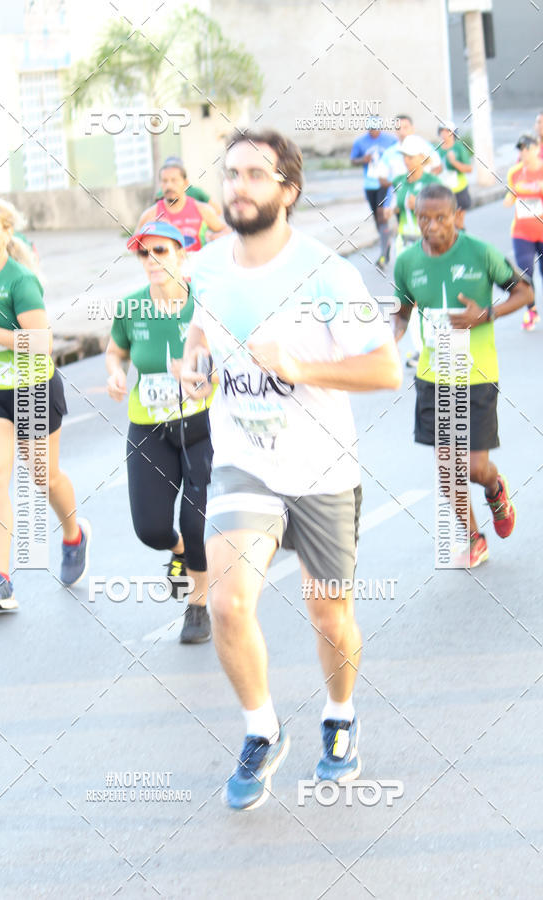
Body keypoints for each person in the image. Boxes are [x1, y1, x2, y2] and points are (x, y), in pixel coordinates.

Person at [180, 128, 402, 810]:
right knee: (225, 602)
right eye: (232, 172)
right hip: (244, 464)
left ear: (288, 190)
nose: (238, 185)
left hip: (323, 471)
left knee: (329, 616)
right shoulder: (209, 267)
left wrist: (301, 366)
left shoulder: (326, 274)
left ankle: (339, 716)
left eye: (255, 174)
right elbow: (201, 326)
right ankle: (261, 730)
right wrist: (196, 364)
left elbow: (386, 368)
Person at [0, 197, 91, 611]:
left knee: (44, 479)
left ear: (6, 233)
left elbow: (43, 343)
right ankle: (1, 580)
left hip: (32, 387)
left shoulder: (20, 281)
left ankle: (73, 534)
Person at [392, 184, 533, 567]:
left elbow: (524, 293)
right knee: (447, 467)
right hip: (433, 376)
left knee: (473, 467)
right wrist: (386, 341)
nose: (431, 226)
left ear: (457, 216)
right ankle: (474, 539)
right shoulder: (406, 262)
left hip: (477, 375)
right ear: (415, 218)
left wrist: (485, 315)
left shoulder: (480, 253)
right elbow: (403, 312)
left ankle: (495, 487)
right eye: (424, 218)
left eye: (441, 218)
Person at [105, 221, 213, 644]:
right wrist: (115, 375)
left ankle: (198, 606)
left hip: (201, 427)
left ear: (181, 255)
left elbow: (231, 358)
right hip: (149, 427)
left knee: (196, 519)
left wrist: (198, 377)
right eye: (143, 254)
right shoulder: (132, 307)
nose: (152, 261)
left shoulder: (204, 305)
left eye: (161, 251)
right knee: (150, 529)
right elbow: (116, 351)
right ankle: (179, 552)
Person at [391, 136, 441, 368]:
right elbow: (396, 209)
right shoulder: (399, 181)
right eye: (404, 157)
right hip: (405, 244)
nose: (407, 161)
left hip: (427, 244)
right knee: (409, 297)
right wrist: (394, 209)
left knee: (429, 296)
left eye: (411, 156)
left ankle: (435, 346)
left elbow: (442, 212)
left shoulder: (432, 182)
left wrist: (418, 205)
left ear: (422, 158)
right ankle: (420, 349)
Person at [135, 158, 228, 252]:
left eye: (174, 180)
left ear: (186, 183)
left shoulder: (202, 210)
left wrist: (213, 238)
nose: (169, 186)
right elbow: (135, 246)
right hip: (166, 267)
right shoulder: (150, 215)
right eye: (164, 181)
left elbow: (228, 231)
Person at [504, 133, 543, 331]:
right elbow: (509, 197)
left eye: (527, 148)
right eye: (521, 149)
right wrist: (511, 198)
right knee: (526, 272)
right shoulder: (515, 172)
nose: (524, 152)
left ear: (537, 148)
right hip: (522, 232)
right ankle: (532, 311)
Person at [350, 116, 397, 269]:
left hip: (385, 182)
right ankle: (386, 241)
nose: (374, 132)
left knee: (382, 214)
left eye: (376, 129)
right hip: (370, 184)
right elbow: (353, 160)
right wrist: (364, 159)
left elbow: (399, 156)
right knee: (377, 218)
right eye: (371, 130)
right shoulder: (360, 142)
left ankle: (383, 255)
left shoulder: (390, 140)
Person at [377, 114, 442, 189]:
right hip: (401, 198)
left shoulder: (426, 147)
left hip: (423, 195)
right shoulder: (389, 152)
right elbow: (381, 178)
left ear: (412, 128)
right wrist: (401, 185)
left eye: (405, 128)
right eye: (398, 128)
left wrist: (423, 182)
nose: (402, 132)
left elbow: (438, 167)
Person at [154, 156, 222, 214]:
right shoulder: (161, 194)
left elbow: (217, 210)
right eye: (165, 180)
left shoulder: (196, 192)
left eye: (174, 179)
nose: (169, 185)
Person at [437, 121, 473, 230]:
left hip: (459, 189)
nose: (444, 134)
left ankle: (462, 243)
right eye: (442, 131)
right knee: (446, 222)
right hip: (443, 191)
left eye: (447, 131)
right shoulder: (437, 149)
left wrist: (454, 162)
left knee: (458, 222)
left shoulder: (459, 148)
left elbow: (469, 169)